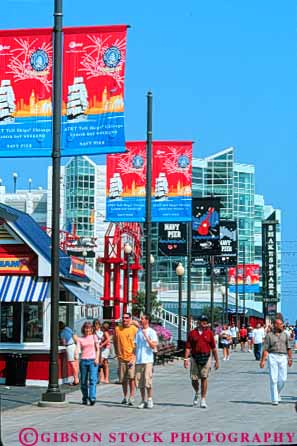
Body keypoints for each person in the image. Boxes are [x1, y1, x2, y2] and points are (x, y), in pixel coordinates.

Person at [184, 315, 219, 408]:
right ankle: (197, 392)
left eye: (205, 321)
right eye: (202, 321)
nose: (204, 323)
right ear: (198, 322)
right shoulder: (192, 333)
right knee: (194, 378)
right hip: (195, 357)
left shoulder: (209, 333)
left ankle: (203, 399)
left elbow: (214, 348)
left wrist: (216, 361)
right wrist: (186, 359)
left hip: (206, 357)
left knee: (204, 377)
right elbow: (188, 347)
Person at [260, 318, 293, 405]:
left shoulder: (285, 335)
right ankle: (275, 399)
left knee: (283, 379)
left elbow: (289, 348)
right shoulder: (269, 336)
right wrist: (262, 361)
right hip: (273, 356)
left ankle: (277, 392)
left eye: (282, 324)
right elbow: (266, 349)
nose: (282, 325)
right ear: (275, 325)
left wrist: (290, 359)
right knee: (273, 378)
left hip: (283, 357)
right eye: (280, 324)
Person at [114, 312, 138, 406]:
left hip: (131, 357)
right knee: (123, 379)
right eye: (123, 318)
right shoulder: (117, 329)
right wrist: (117, 353)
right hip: (121, 358)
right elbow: (115, 342)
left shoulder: (134, 329)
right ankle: (125, 396)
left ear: (130, 319)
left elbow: (138, 344)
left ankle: (131, 397)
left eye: (127, 318)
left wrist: (134, 356)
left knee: (131, 378)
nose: (125, 319)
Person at [135, 314, 158, 409]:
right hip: (139, 360)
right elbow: (135, 345)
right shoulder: (138, 332)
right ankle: (142, 400)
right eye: (141, 319)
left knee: (147, 380)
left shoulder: (152, 332)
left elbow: (153, 346)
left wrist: (147, 337)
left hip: (148, 359)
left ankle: (149, 399)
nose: (141, 320)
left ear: (147, 320)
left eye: (143, 319)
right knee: (140, 381)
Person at [74, 321, 100, 406]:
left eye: (89, 328)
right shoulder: (80, 339)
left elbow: (98, 349)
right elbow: (78, 348)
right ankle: (85, 397)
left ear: (92, 329)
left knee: (93, 379)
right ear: (83, 329)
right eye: (86, 328)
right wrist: (76, 354)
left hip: (93, 360)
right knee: (83, 381)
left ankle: (92, 397)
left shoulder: (94, 337)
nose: (88, 330)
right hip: (84, 361)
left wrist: (97, 358)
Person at [58, 321, 79, 386]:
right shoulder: (68, 329)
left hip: (70, 347)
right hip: (75, 346)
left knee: (73, 364)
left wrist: (60, 342)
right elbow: (75, 337)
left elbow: (64, 342)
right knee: (76, 363)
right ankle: (77, 378)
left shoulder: (62, 333)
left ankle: (75, 380)